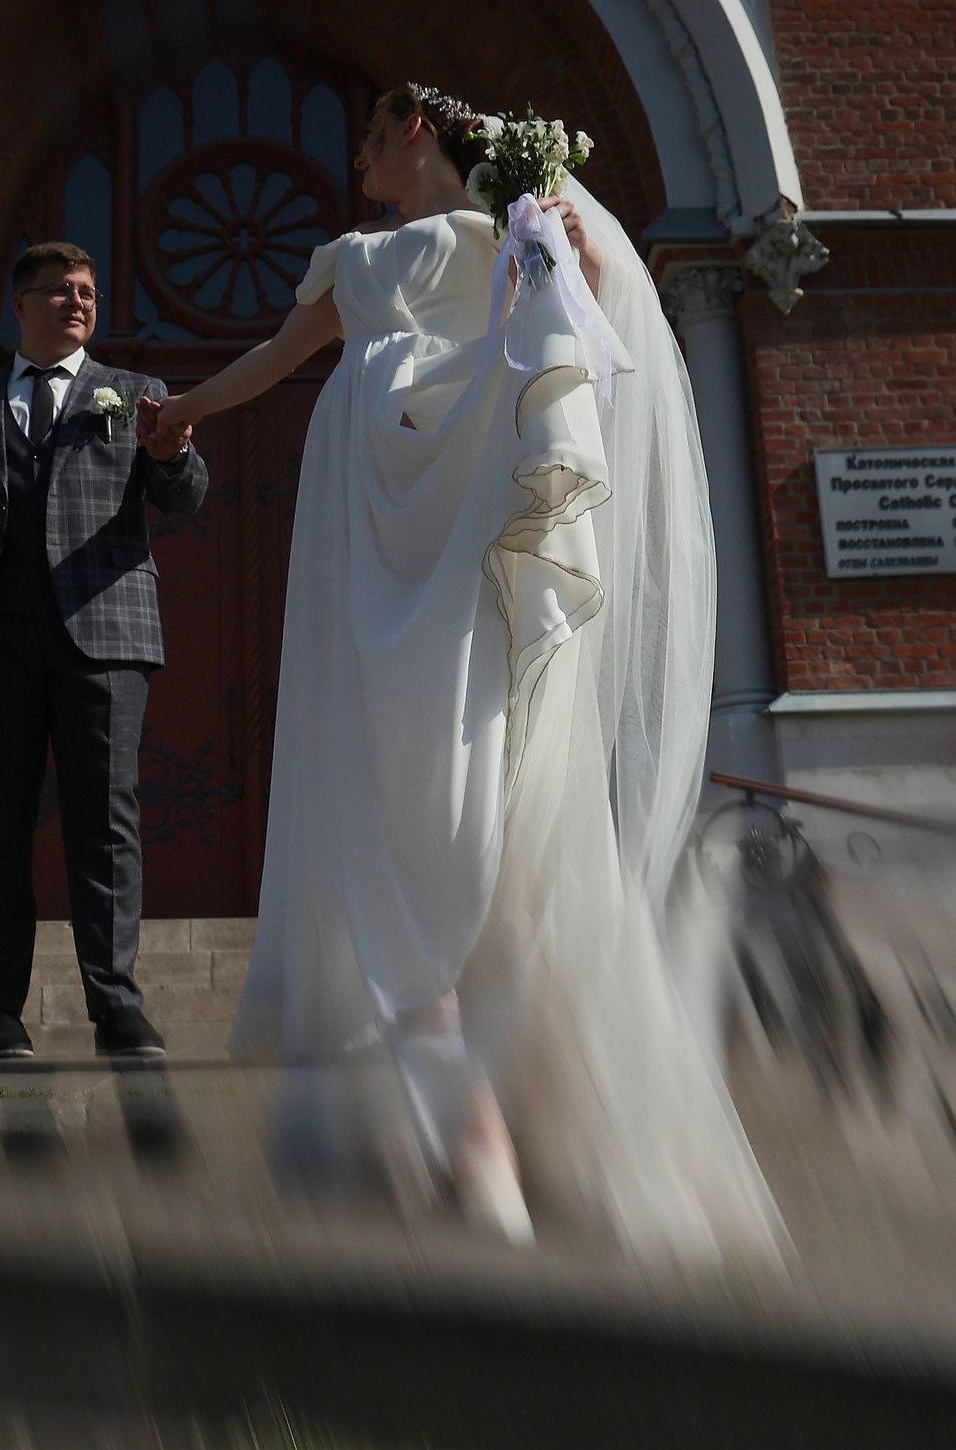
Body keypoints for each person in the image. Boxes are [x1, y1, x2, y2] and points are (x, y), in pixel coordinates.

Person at [144, 87, 781, 1261]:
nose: (358, 158)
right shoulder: (355, 262)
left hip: (459, 546)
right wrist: (181, 409)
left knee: (454, 811)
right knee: (399, 809)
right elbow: (273, 358)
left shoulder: (521, 235)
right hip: (369, 546)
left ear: (418, 135)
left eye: (372, 138)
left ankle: (494, 1158)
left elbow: (584, 349)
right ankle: (474, 1146)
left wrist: (573, 255)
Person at [0, 241, 210, 1060]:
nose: (78, 302)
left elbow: (187, 497)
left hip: (104, 637)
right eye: (59, 290)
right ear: (18, 305)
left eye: (89, 292)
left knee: (106, 824)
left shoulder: (133, 395)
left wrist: (171, 454)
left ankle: (117, 1007)